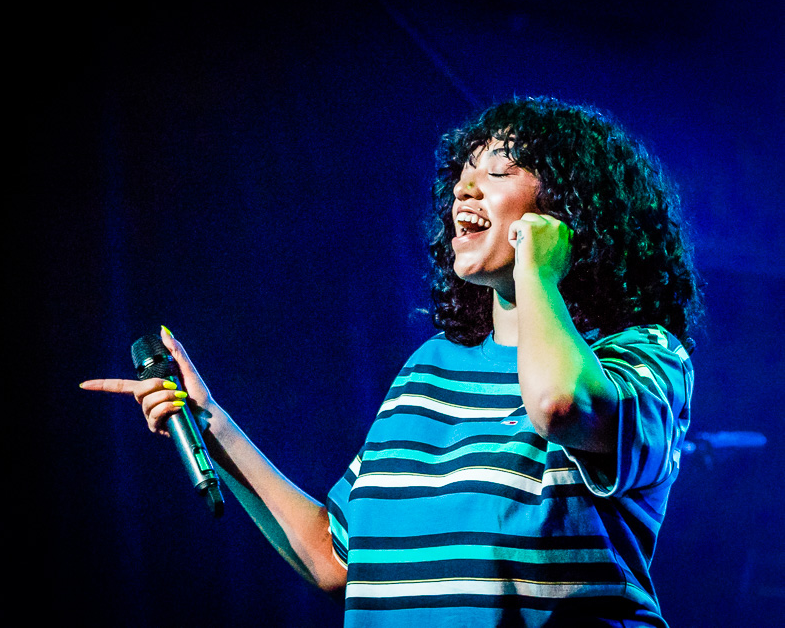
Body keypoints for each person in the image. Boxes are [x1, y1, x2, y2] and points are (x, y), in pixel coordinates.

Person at [81, 95, 703, 627]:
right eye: (464, 171)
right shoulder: (427, 371)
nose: (465, 186)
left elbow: (558, 403)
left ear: (569, 209)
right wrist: (213, 424)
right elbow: (335, 559)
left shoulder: (640, 356)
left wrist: (539, 266)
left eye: (502, 169)